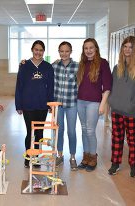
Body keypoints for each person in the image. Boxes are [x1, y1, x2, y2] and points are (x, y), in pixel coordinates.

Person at [108, 36, 135, 178]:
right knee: (116, 138)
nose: (127, 49)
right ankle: (115, 163)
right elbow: (111, 87)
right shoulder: (117, 67)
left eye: (130, 47)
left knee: (133, 140)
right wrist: (111, 101)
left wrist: (133, 105)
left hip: (132, 112)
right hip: (117, 110)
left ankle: (134, 165)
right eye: (125, 46)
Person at [15, 40, 54, 168]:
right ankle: (28, 157)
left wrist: (50, 104)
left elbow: (51, 87)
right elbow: (19, 86)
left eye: (41, 50)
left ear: (44, 51)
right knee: (30, 132)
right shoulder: (24, 66)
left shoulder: (48, 67)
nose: (38, 52)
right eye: (36, 49)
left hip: (42, 104)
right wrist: (18, 105)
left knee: (39, 132)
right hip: (28, 104)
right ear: (32, 49)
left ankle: (36, 157)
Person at [77, 38, 112, 172]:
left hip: (94, 102)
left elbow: (107, 86)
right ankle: (85, 157)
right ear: (83, 50)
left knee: (90, 130)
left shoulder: (103, 63)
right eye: (86, 48)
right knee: (84, 129)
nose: (89, 50)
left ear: (96, 48)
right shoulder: (82, 63)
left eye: (91, 48)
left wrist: (103, 104)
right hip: (80, 101)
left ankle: (93, 157)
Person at [52, 41, 79, 170]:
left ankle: (72, 157)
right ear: (59, 52)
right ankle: (60, 155)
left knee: (72, 131)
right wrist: (24, 62)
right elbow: (41, 67)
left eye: (66, 51)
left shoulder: (77, 67)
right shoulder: (54, 66)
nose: (64, 53)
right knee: (59, 131)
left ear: (71, 52)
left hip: (72, 104)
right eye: (61, 51)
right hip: (58, 105)